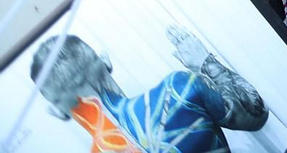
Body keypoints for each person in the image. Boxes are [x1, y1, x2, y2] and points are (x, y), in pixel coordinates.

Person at [30, 29, 268, 150]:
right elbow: (257, 116)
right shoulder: (179, 89)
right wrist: (205, 62)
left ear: (57, 112)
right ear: (106, 61)